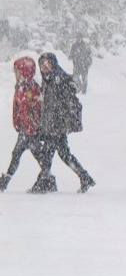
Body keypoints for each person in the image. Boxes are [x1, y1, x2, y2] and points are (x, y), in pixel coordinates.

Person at [36, 52, 95, 193]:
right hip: (52, 124)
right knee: (60, 154)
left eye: (47, 63)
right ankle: (83, 176)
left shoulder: (58, 78)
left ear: (53, 63)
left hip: (57, 125)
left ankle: (45, 182)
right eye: (42, 64)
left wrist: (59, 121)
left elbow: (71, 91)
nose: (44, 66)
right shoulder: (48, 79)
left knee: (51, 154)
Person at [0, 57, 54, 192]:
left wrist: (31, 127)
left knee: (36, 156)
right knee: (21, 155)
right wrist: (18, 123)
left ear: (25, 71)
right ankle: (48, 179)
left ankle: (48, 179)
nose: (15, 74)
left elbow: (35, 110)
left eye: (17, 71)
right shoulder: (20, 87)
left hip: (31, 131)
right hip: (25, 130)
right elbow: (17, 108)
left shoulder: (32, 89)